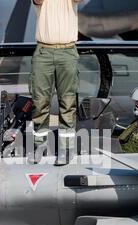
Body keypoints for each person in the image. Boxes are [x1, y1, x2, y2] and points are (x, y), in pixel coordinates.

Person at [29, 0, 85, 165]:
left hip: (67, 51)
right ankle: (40, 145)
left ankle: (66, 148)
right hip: (43, 51)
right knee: (40, 102)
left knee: (67, 102)